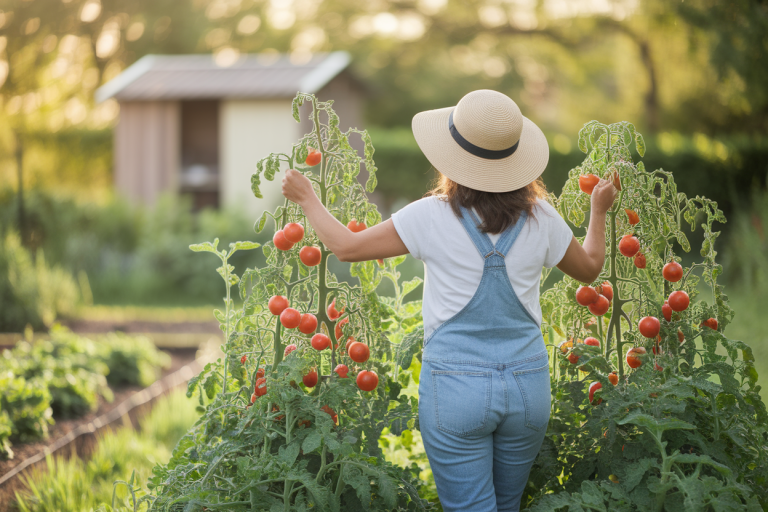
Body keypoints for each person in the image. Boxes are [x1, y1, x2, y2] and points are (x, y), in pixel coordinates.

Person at [281, 89, 618, 512]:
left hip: (456, 389)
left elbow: (346, 248)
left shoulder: (430, 215)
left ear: (452, 157)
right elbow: (590, 269)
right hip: (527, 387)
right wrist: (599, 211)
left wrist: (308, 198)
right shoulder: (543, 216)